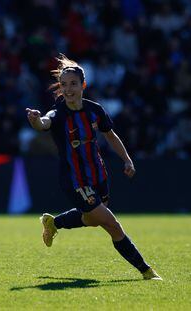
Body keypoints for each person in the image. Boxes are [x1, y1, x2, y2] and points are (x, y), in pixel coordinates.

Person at [26, 54, 161, 280]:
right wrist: (36, 121)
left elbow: (110, 135)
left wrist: (126, 159)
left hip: (98, 175)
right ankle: (146, 271)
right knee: (111, 223)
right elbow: (44, 123)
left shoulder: (95, 110)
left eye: (73, 84)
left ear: (83, 85)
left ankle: (54, 222)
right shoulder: (59, 113)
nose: (68, 89)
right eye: (64, 85)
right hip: (74, 180)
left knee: (91, 220)